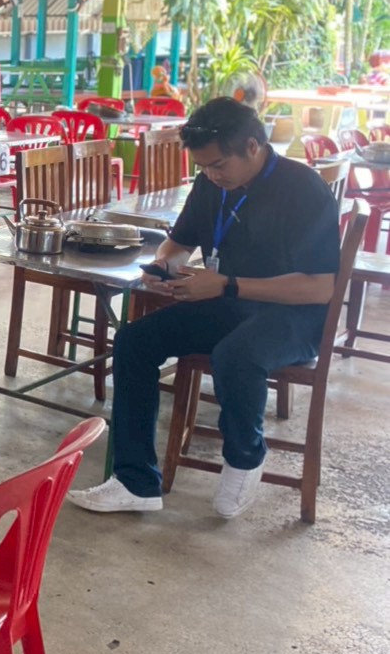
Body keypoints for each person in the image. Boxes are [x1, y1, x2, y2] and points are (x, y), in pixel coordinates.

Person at [68, 98, 341, 520]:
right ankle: (135, 481)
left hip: (295, 315)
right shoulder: (211, 184)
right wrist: (165, 266)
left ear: (252, 146)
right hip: (230, 301)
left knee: (236, 354)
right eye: (203, 167)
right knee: (134, 341)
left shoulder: (302, 189)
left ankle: (245, 456)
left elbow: (321, 287)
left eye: (218, 165)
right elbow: (179, 243)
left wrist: (228, 284)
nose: (212, 175)